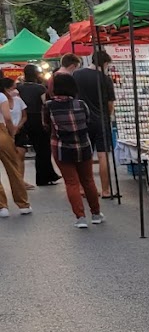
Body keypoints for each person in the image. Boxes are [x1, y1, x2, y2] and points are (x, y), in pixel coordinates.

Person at [44, 72, 103, 227]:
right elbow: (88, 122)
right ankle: (96, 214)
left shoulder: (49, 106)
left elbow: (46, 125)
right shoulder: (81, 104)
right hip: (83, 146)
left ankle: (80, 217)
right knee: (88, 180)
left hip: (62, 148)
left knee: (71, 183)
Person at [72, 51, 117, 198]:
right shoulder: (105, 79)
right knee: (103, 155)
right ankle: (105, 190)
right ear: (104, 63)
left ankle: (83, 189)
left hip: (82, 120)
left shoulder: (77, 75)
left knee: (85, 156)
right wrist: (108, 116)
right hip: (101, 120)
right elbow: (110, 103)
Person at [18, 65, 58, 186]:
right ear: (35, 74)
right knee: (43, 149)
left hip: (24, 119)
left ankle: (48, 175)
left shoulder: (19, 87)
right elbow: (45, 103)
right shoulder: (40, 88)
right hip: (37, 119)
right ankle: (44, 177)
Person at [0, 76, 33, 217]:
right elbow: (7, 117)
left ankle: (2, 206)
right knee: (13, 168)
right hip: (2, 132)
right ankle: (23, 204)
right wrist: (12, 133)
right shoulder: (1, 96)